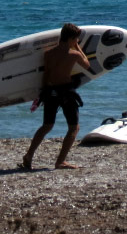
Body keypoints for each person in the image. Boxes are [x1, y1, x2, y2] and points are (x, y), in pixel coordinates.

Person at [21, 22, 91, 170]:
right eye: (76, 39)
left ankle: (28, 156)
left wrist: (42, 94)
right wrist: (77, 47)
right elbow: (87, 65)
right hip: (66, 92)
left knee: (47, 125)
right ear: (72, 39)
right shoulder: (74, 54)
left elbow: (46, 75)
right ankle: (60, 162)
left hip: (50, 91)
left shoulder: (49, 54)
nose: (77, 41)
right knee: (74, 128)